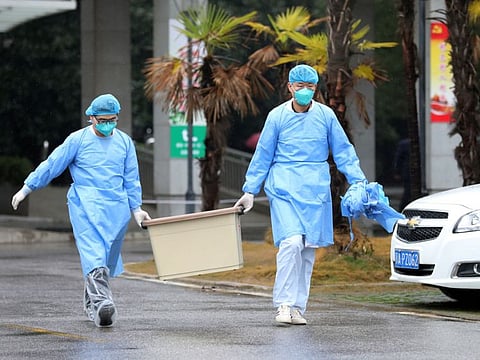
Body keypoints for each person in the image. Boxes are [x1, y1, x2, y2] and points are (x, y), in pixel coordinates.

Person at [235, 64, 367, 326]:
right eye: (300, 86)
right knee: (292, 242)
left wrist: (358, 181)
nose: (305, 91)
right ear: (290, 87)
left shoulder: (326, 116)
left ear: (315, 89)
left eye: (310, 86)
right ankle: (283, 304)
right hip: (283, 186)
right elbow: (263, 154)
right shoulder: (277, 117)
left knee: (307, 250)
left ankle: (297, 306)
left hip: (315, 188)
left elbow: (343, 151)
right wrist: (250, 190)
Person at [11, 93, 151, 328]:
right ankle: (103, 303)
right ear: (92, 118)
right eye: (103, 120)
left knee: (104, 258)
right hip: (85, 204)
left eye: (112, 119)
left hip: (116, 208)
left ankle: (92, 304)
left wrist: (136, 208)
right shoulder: (77, 140)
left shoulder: (125, 143)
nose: (107, 124)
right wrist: (28, 187)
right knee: (93, 254)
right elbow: (53, 164)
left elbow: (131, 178)